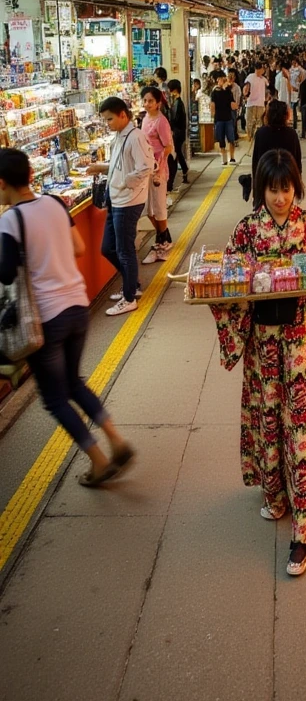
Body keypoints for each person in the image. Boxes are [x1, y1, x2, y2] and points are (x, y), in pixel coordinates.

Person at [209, 149, 306, 577]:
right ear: (261, 190)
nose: (279, 198)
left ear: (296, 187)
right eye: (272, 189)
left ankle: (303, 529)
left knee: (300, 429)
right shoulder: (245, 230)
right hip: (261, 351)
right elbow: (230, 287)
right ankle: (275, 496)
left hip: (301, 348)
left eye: (286, 188)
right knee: (267, 421)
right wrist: (217, 296)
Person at [0, 150, 135, 485]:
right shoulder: (55, 203)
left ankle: (100, 462)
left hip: (46, 318)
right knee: (74, 383)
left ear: (3, 184)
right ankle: (116, 440)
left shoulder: (9, 221)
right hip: (77, 306)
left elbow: (5, 275)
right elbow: (77, 248)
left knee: (56, 398)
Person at [87, 97, 153, 316]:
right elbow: (119, 165)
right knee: (108, 248)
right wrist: (101, 168)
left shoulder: (135, 137)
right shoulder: (119, 137)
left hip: (128, 201)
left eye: (110, 119)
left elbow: (145, 168)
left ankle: (129, 297)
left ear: (123, 115)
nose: (108, 124)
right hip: (116, 199)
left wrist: (124, 183)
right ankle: (131, 285)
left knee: (125, 251)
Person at [140, 85, 174, 263]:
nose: (147, 104)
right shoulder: (145, 118)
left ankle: (162, 241)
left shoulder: (161, 121)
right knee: (149, 209)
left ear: (158, 102)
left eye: (150, 101)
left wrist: (159, 167)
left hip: (158, 172)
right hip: (147, 169)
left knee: (159, 207)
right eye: (145, 100)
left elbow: (168, 147)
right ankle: (164, 237)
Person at [252, 99, 302, 182]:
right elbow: (297, 162)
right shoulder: (291, 134)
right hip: (287, 180)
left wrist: (256, 186)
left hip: (266, 179)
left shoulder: (261, 133)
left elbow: (256, 161)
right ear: (286, 116)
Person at [166, 79, 189, 191]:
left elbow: (174, 119)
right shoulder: (178, 102)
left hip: (177, 133)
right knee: (178, 153)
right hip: (180, 132)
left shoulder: (177, 103)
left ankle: (183, 171)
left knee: (176, 154)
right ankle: (185, 171)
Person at [210, 71, 237, 165]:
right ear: (218, 80)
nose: (222, 81)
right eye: (221, 79)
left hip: (227, 118)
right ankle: (225, 159)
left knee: (231, 139)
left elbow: (233, 105)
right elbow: (212, 105)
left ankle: (231, 158)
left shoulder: (228, 92)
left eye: (224, 79)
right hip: (220, 119)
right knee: (222, 140)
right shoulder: (214, 92)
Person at [243, 61, 268, 140]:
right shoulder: (250, 77)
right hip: (251, 103)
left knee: (259, 123)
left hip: (260, 103)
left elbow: (267, 88)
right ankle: (250, 137)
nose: (262, 71)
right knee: (250, 122)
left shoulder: (263, 79)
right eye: (261, 69)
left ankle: (257, 137)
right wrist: (245, 93)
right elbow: (246, 87)